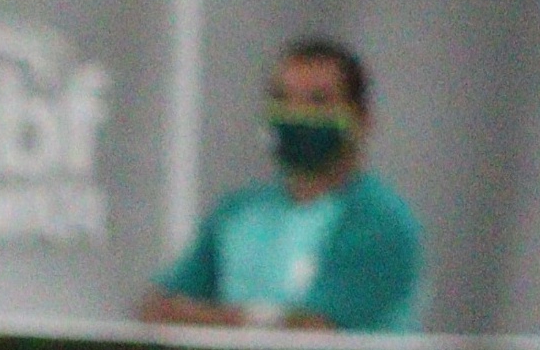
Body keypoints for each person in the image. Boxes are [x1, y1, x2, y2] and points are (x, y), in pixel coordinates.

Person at [142, 39, 424, 333]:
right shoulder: (239, 213)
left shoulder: (379, 220)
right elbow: (159, 309)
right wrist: (260, 320)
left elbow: (314, 332)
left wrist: (215, 319)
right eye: (282, 99)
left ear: (362, 119)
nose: (296, 114)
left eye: (318, 101)